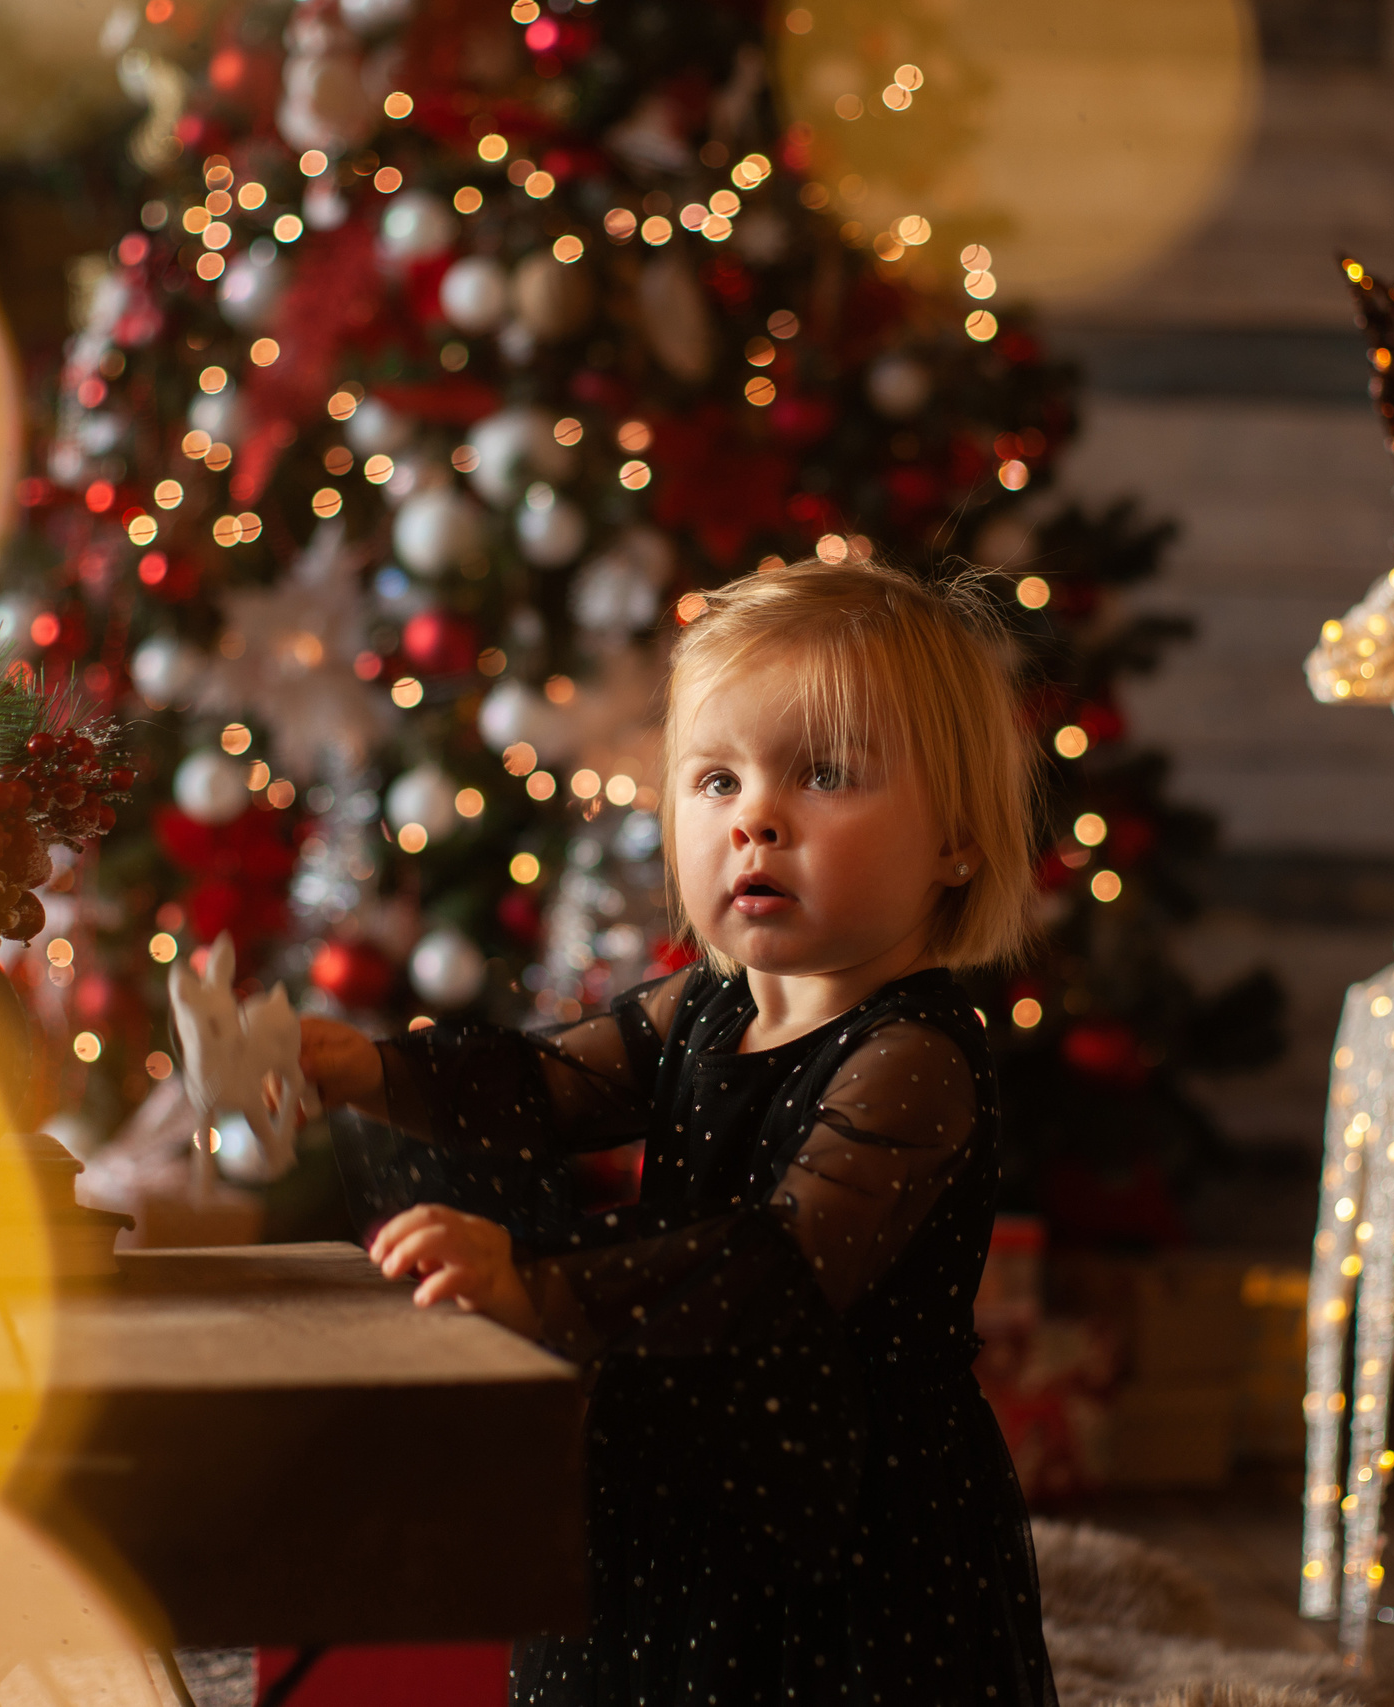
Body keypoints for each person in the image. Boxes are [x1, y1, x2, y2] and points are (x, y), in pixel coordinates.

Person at [301, 561, 1057, 1704]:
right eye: (715, 780)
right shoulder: (706, 1008)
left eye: (826, 775)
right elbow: (547, 1082)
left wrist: (537, 1286)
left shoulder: (911, 1059)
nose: (755, 817)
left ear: (955, 839)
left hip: (845, 1519)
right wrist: (371, 1069)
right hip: (677, 1450)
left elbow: (776, 1269)